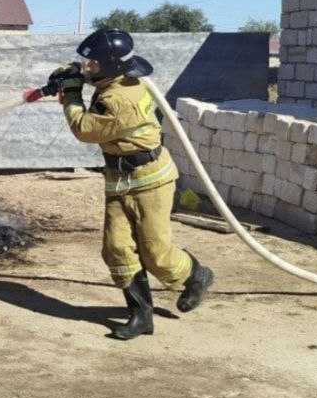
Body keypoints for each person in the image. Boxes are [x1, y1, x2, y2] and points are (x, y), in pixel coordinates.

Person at [36, 28, 214, 339]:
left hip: (150, 181)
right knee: (116, 248)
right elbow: (90, 75)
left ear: (112, 66)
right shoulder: (118, 79)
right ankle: (141, 315)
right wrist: (73, 72)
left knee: (157, 254)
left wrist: (73, 94)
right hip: (118, 178)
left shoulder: (120, 100)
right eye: (87, 63)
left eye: (93, 65)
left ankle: (196, 275)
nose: (89, 68)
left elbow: (84, 129)